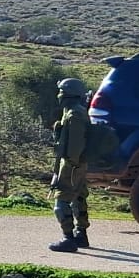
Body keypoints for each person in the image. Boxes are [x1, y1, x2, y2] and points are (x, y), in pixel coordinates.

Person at [50, 77, 92, 253]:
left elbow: (75, 145)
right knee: (78, 197)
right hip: (79, 164)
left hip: (71, 164)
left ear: (68, 95)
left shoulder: (74, 115)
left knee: (61, 201)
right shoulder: (77, 111)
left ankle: (68, 238)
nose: (59, 96)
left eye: (61, 92)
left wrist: (70, 165)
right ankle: (81, 234)